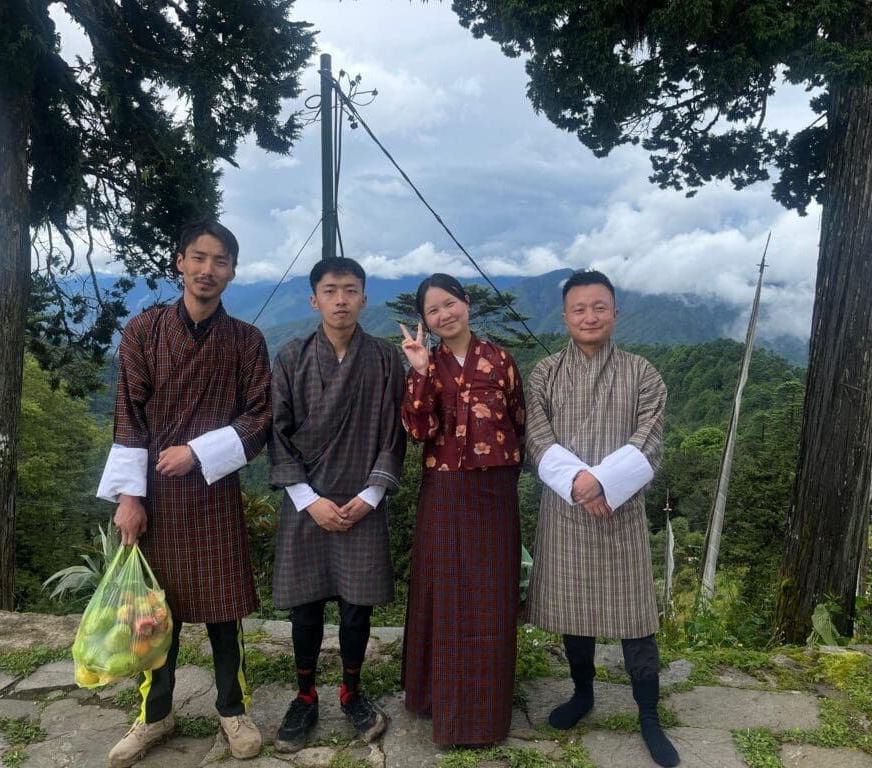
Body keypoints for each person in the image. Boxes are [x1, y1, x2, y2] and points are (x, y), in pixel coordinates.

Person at [96, 219, 272, 768]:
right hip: (156, 495)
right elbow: (128, 416)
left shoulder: (246, 340)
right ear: (180, 262)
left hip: (214, 491)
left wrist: (197, 452)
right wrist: (129, 498)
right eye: (199, 257)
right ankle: (155, 714)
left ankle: (233, 709)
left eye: (220, 261)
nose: (208, 270)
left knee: (224, 609)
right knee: (153, 610)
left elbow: (260, 418)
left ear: (233, 271)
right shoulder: (144, 331)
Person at [525, 269, 679, 767]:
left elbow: (649, 440)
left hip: (621, 512)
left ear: (615, 313)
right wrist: (580, 484)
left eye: (599, 307)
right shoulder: (545, 374)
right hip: (567, 512)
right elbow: (536, 438)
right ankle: (583, 693)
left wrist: (602, 483)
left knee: (636, 617)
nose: (589, 316)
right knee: (575, 612)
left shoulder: (643, 373)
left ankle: (649, 715)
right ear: (565, 316)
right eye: (579, 308)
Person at [269, 257, 406, 753]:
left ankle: (351, 692)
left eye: (350, 290)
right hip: (306, 503)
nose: (341, 300)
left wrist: (370, 496)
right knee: (305, 610)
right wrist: (310, 501)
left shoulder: (386, 358)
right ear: (314, 300)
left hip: (361, 501)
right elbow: (277, 433)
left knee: (355, 610)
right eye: (330, 291)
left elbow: (395, 432)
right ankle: (305, 695)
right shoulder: (291, 357)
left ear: (364, 298)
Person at [398, 274, 525, 746]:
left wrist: (504, 474)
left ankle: (486, 711)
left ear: (467, 303)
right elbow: (417, 431)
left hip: (495, 493)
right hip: (445, 491)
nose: (443, 314)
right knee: (445, 593)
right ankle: (439, 701)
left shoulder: (501, 360)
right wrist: (418, 371)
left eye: (449, 303)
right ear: (424, 320)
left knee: (493, 596)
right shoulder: (427, 364)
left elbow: (519, 422)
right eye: (432, 310)